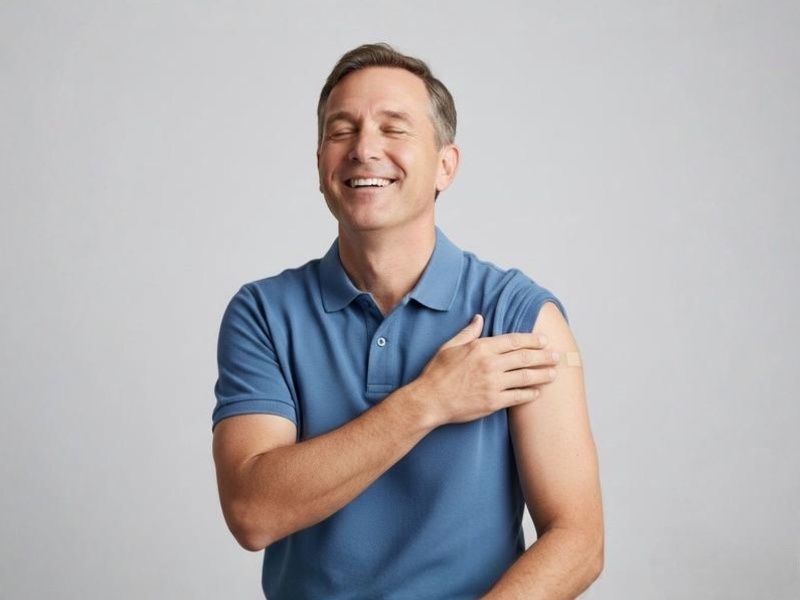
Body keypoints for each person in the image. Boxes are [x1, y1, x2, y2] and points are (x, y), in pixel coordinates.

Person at [211, 42, 604, 599]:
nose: (364, 148)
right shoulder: (263, 315)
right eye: (341, 129)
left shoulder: (523, 318)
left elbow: (578, 540)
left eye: (394, 128)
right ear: (320, 162)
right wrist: (428, 402)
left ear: (446, 164)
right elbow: (253, 512)